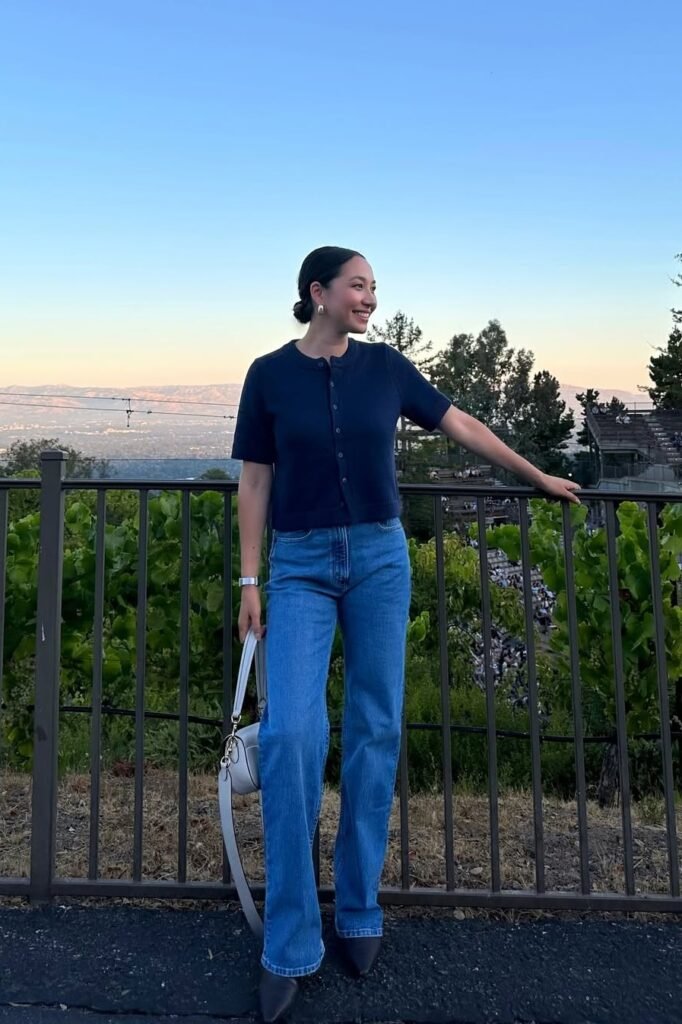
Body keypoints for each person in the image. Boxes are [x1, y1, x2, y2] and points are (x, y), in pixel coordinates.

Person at [232, 246, 580, 1022]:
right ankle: (289, 938)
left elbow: (461, 422)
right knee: (290, 734)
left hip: (383, 559)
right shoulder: (269, 375)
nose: (370, 299)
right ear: (317, 293)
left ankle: (358, 906)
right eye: (358, 285)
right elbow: (255, 480)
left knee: (375, 728)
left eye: (374, 288)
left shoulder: (386, 368)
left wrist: (536, 477)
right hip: (300, 565)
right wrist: (250, 580)